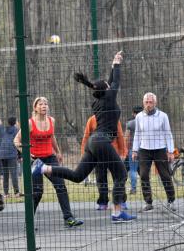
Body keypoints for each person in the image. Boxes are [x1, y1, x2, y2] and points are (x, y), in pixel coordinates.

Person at [32, 51, 137, 223]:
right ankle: (117, 213)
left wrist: (112, 65)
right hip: (102, 141)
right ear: (106, 90)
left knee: (78, 175)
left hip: (93, 142)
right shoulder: (108, 97)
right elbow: (115, 82)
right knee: (121, 174)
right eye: (108, 86)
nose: (110, 87)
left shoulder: (98, 100)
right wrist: (117, 63)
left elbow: (108, 84)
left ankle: (43, 168)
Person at [14, 96, 84, 228]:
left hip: (50, 158)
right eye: (40, 104)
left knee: (60, 186)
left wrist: (57, 152)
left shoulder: (51, 120)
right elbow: (16, 141)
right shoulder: (29, 123)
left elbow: (52, 136)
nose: (44, 106)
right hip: (35, 161)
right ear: (35, 107)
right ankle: (29, 222)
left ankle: (69, 218)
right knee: (37, 193)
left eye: (46, 104)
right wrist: (26, 153)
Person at [132, 92, 176, 212]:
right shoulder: (139, 116)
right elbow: (137, 134)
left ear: (155, 103)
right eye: (146, 102)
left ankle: (171, 200)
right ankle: (148, 202)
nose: (148, 104)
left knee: (165, 175)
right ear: (143, 103)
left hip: (160, 149)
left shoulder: (162, 116)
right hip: (144, 150)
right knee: (144, 175)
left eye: (151, 102)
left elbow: (168, 133)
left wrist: (171, 151)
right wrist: (135, 150)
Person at [81, 115, 128, 210]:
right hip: (98, 154)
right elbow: (86, 137)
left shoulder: (114, 119)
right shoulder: (91, 120)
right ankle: (103, 202)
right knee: (100, 178)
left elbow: (120, 136)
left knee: (118, 177)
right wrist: (84, 153)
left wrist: (123, 152)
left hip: (113, 152)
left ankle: (121, 200)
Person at [0, 116, 22, 197]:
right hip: (11, 154)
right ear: (15, 123)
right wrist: (20, 155)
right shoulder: (17, 130)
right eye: (17, 121)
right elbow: (18, 144)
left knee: (5, 174)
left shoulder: (4, 130)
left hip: (2, 154)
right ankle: (16, 192)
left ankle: (6, 193)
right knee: (14, 173)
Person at [124, 106, 143, 194]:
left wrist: (126, 149)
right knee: (144, 169)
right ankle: (146, 187)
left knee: (133, 169)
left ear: (134, 113)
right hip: (144, 149)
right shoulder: (145, 122)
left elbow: (126, 138)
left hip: (133, 149)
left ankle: (133, 188)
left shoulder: (130, 123)